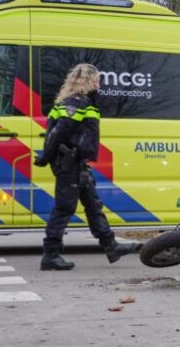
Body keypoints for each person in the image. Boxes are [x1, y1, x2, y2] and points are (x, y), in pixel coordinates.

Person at [34, 63, 140, 270]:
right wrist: (46, 157)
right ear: (89, 80)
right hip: (70, 163)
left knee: (93, 205)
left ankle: (111, 246)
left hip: (78, 163)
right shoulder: (75, 103)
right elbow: (59, 132)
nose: (99, 83)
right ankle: (50, 255)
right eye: (97, 79)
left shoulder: (80, 102)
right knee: (64, 208)